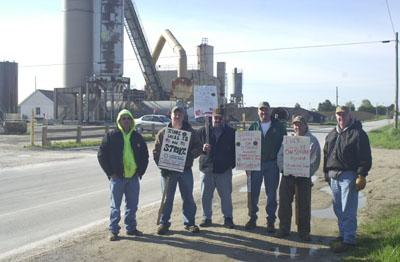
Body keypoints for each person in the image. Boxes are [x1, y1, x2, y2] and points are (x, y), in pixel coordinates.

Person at [323, 106, 372, 253]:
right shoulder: (332, 134)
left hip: (349, 175)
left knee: (348, 208)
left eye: (344, 114)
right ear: (335, 115)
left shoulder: (358, 133)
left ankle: (349, 240)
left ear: (350, 115)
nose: (341, 117)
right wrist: (326, 172)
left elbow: (365, 156)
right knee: (338, 207)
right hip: (334, 175)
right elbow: (326, 153)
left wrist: (361, 175)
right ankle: (343, 234)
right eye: (338, 114)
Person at [98, 109, 149, 241]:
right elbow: (101, 155)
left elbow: (145, 155)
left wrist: (140, 171)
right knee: (115, 206)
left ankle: (131, 228)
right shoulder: (111, 136)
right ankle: (114, 230)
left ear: (132, 121)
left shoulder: (137, 137)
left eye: (128, 118)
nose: (126, 121)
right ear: (119, 121)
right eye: (123, 118)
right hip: (117, 178)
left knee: (132, 205)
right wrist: (110, 173)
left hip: (132, 178)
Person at [153, 106, 203, 235]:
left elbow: (198, 147)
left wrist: (190, 155)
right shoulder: (163, 133)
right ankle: (164, 223)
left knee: (188, 197)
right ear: (171, 115)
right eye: (175, 114)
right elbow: (156, 151)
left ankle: (190, 222)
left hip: (185, 170)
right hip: (168, 172)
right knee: (167, 199)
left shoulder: (190, 132)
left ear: (183, 116)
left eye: (180, 114)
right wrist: (162, 167)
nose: (177, 116)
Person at [275, 116, 321, 241]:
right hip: (287, 176)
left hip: (303, 178)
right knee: (284, 203)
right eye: (295, 124)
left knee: (303, 205)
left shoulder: (313, 141)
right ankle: (284, 229)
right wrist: (284, 169)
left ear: (306, 125)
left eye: (300, 124)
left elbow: (315, 161)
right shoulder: (288, 140)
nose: (297, 127)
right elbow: (280, 156)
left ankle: (304, 231)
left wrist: (305, 172)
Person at [245, 101, 287, 232]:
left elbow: (285, 145)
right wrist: (247, 164)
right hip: (255, 164)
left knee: (271, 194)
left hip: (272, 165)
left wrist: (282, 163)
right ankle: (252, 218)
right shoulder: (252, 127)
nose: (264, 112)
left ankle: (271, 221)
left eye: (266, 110)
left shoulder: (279, 127)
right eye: (261, 110)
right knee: (253, 193)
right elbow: (246, 147)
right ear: (258, 112)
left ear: (270, 111)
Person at [197, 108, 236, 229]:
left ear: (224, 119)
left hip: (224, 170)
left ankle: (228, 218)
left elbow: (237, 150)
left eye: (220, 118)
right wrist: (202, 148)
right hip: (207, 168)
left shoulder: (231, 132)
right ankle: (206, 217)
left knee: (226, 196)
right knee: (206, 196)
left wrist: (231, 164)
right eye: (215, 118)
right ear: (211, 118)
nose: (217, 120)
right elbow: (193, 146)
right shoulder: (203, 131)